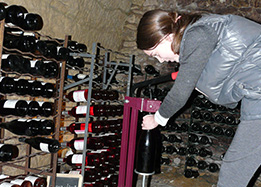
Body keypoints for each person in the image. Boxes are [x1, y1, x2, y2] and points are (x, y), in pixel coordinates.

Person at [136, 9, 261, 187]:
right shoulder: (198, 35)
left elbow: (180, 93)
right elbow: (228, 94)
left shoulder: (197, 34)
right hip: (254, 93)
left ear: (166, 37)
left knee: (235, 169)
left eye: (155, 53)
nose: (160, 61)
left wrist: (157, 118)